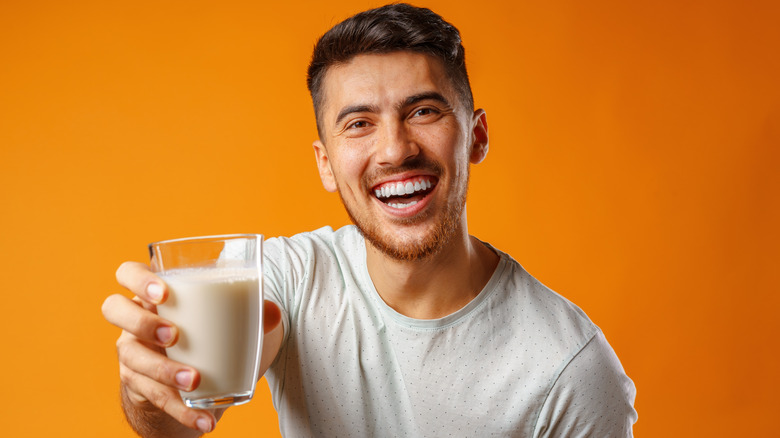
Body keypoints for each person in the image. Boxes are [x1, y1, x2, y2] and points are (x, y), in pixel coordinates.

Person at [102, 3, 637, 437]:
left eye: (423, 111)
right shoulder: (288, 278)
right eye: (358, 123)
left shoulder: (570, 370)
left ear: (477, 136)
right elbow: (186, 415)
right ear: (326, 164)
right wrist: (155, 386)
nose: (394, 150)